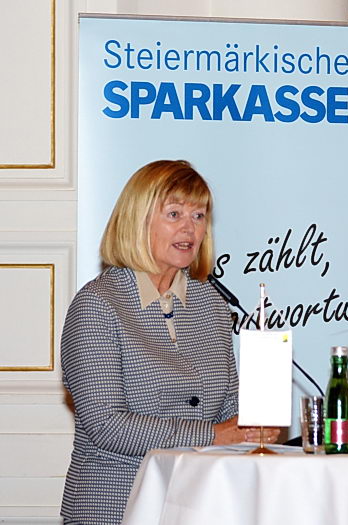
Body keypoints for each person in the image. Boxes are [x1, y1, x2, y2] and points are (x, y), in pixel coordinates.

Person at [60, 160, 279, 524]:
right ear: (138, 220)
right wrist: (214, 435)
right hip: (117, 504)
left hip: (200, 505)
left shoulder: (211, 304)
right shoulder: (98, 305)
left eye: (198, 216)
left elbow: (229, 405)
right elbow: (107, 425)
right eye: (174, 214)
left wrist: (256, 423)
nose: (189, 228)